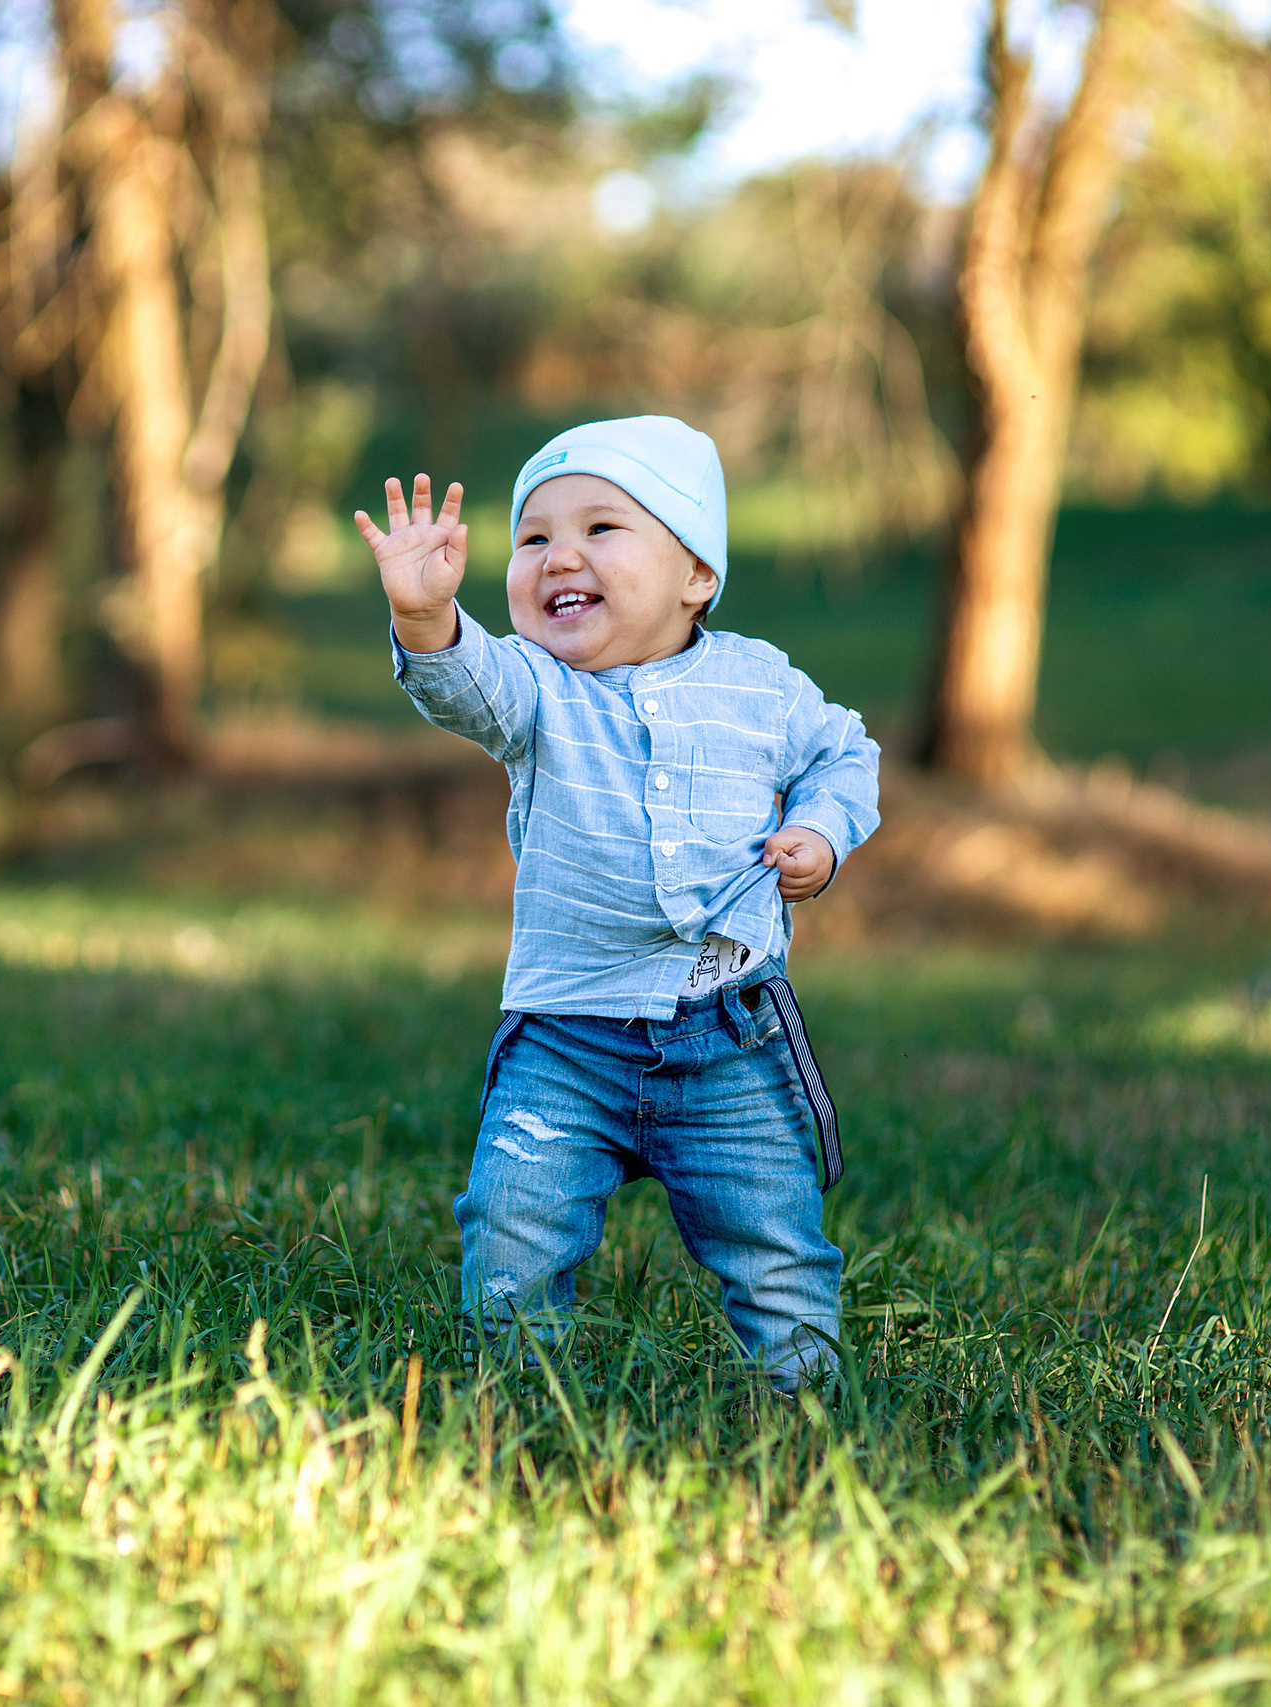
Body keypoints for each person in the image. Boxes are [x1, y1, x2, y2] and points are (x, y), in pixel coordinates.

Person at [353, 415, 881, 1390]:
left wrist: (821, 833)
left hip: (730, 1033)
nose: (560, 555)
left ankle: (801, 1402)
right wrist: (427, 617)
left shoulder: (758, 685)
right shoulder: (537, 691)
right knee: (514, 1217)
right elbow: (462, 685)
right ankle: (517, 1393)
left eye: (601, 529)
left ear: (695, 576)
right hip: (566, 1036)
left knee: (772, 1236)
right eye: (532, 538)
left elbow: (842, 754)